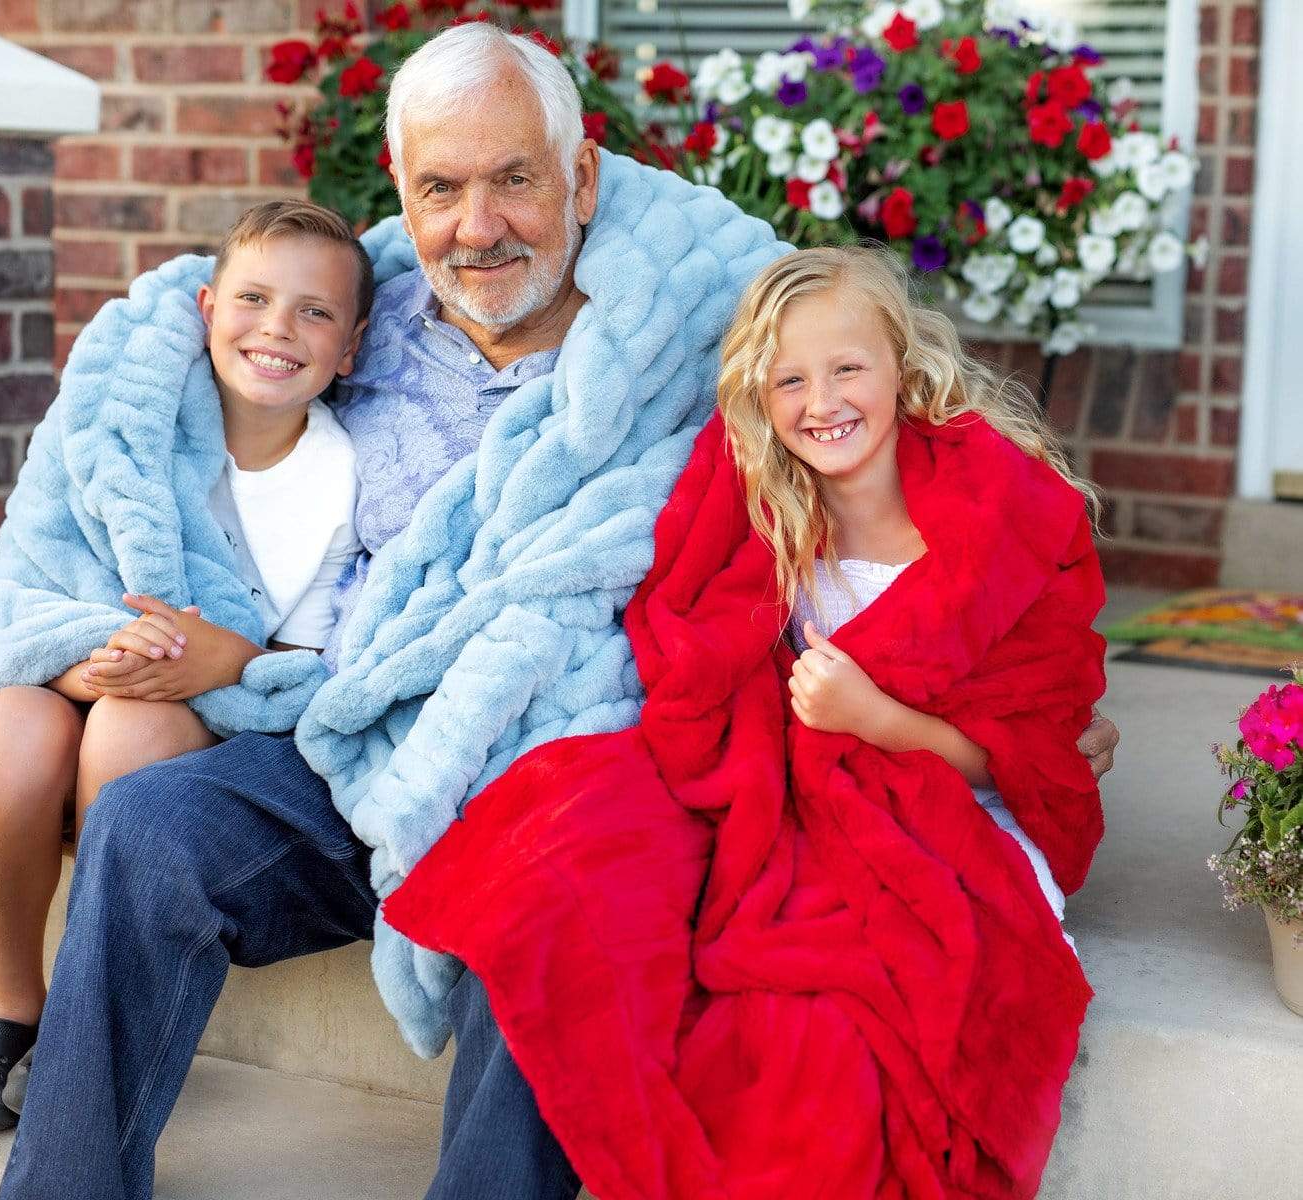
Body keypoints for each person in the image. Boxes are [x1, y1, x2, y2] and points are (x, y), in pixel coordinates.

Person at [0, 25, 1121, 1200]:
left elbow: (911, 457)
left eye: (513, 178)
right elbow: (145, 428)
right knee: (149, 828)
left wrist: (1026, 706)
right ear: (402, 192)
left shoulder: (693, 330)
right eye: (441, 187)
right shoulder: (346, 322)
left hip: (562, 753)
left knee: (546, 914)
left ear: (582, 175)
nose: (476, 225)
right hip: (354, 729)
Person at [385, 245, 1113, 1199]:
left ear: (903, 361)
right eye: (790, 380)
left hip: (951, 807)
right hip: (779, 775)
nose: (824, 402)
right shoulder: (762, 503)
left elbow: (1032, 758)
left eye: (849, 368)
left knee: (819, 1027)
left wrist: (877, 717)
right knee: (560, 866)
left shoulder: (998, 511)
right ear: (758, 399)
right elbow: (694, 648)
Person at [0, 200, 370, 1133]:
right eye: (253, 297)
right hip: (79, 668)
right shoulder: (121, 424)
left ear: (352, 347)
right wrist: (80, 660)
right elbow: (27, 583)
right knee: (5, 724)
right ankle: (9, 997)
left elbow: (325, 660)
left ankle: (99, 1014)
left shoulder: (345, 480)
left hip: (205, 708)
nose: (278, 328)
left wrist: (231, 660)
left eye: (315, 312)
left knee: (136, 731)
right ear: (207, 308)